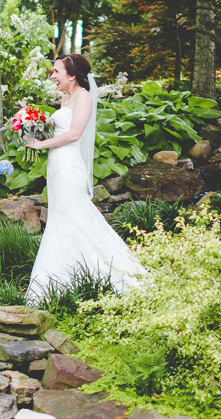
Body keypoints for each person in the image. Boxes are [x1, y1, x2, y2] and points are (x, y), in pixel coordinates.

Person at [23, 54, 144, 300]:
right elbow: (60, 130)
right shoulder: (66, 98)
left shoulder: (84, 97)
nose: (53, 76)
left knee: (76, 218)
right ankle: (64, 279)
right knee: (60, 220)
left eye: (57, 71)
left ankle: (110, 273)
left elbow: (74, 134)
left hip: (69, 167)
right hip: (57, 166)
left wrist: (41, 144)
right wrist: (33, 127)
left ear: (72, 74)